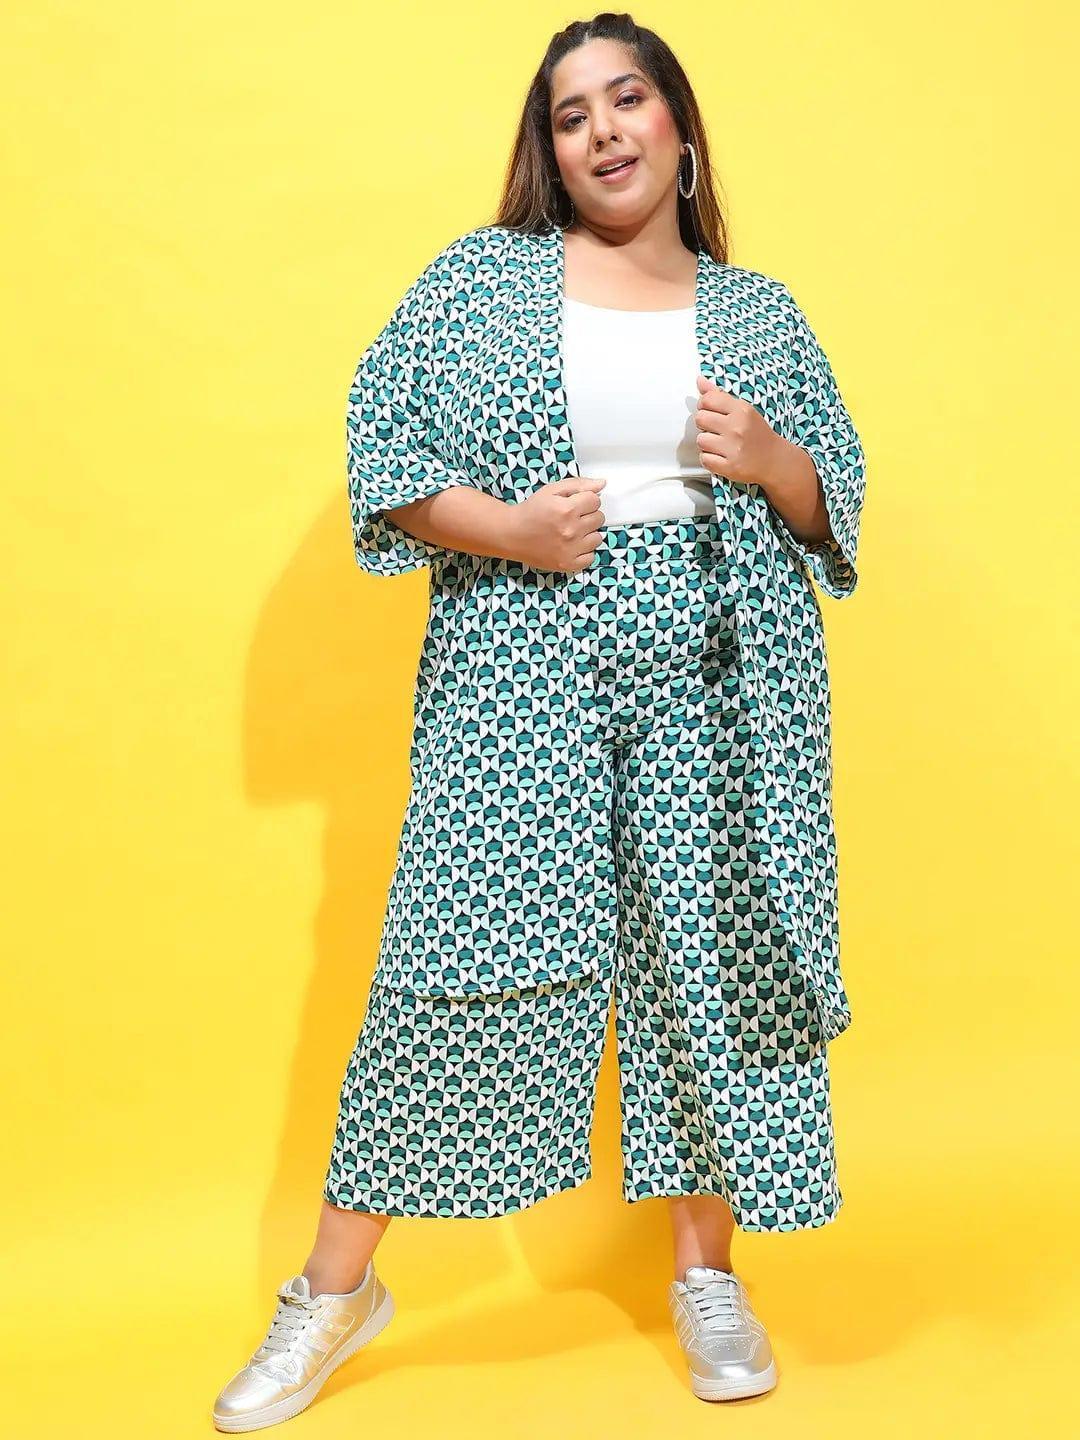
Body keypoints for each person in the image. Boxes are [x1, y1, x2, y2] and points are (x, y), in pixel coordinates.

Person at [212, 12, 867, 1431]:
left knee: (714, 967)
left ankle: (708, 1274)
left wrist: (775, 457)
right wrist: (510, 529)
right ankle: (333, 1293)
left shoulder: (760, 313)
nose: (604, 131)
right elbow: (384, 450)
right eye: (573, 116)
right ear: (550, 153)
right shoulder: (481, 283)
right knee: (449, 959)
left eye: (628, 100)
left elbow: (833, 508)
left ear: (679, 128)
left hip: (719, 670)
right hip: (525, 655)